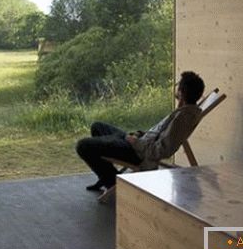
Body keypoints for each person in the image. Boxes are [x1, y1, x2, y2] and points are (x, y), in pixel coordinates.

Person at [76, 71, 205, 192]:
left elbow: (160, 151)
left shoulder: (182, 119)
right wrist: (139, 134)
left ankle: (113, 182)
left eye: (178, 86)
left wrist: (135, 142)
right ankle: (105, 177)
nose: (175, 88)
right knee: (97, 126)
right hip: (139, 143)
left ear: (181, 93)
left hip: (139, 153)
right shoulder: (183, 111)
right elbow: (157, 134)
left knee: (83, 146)